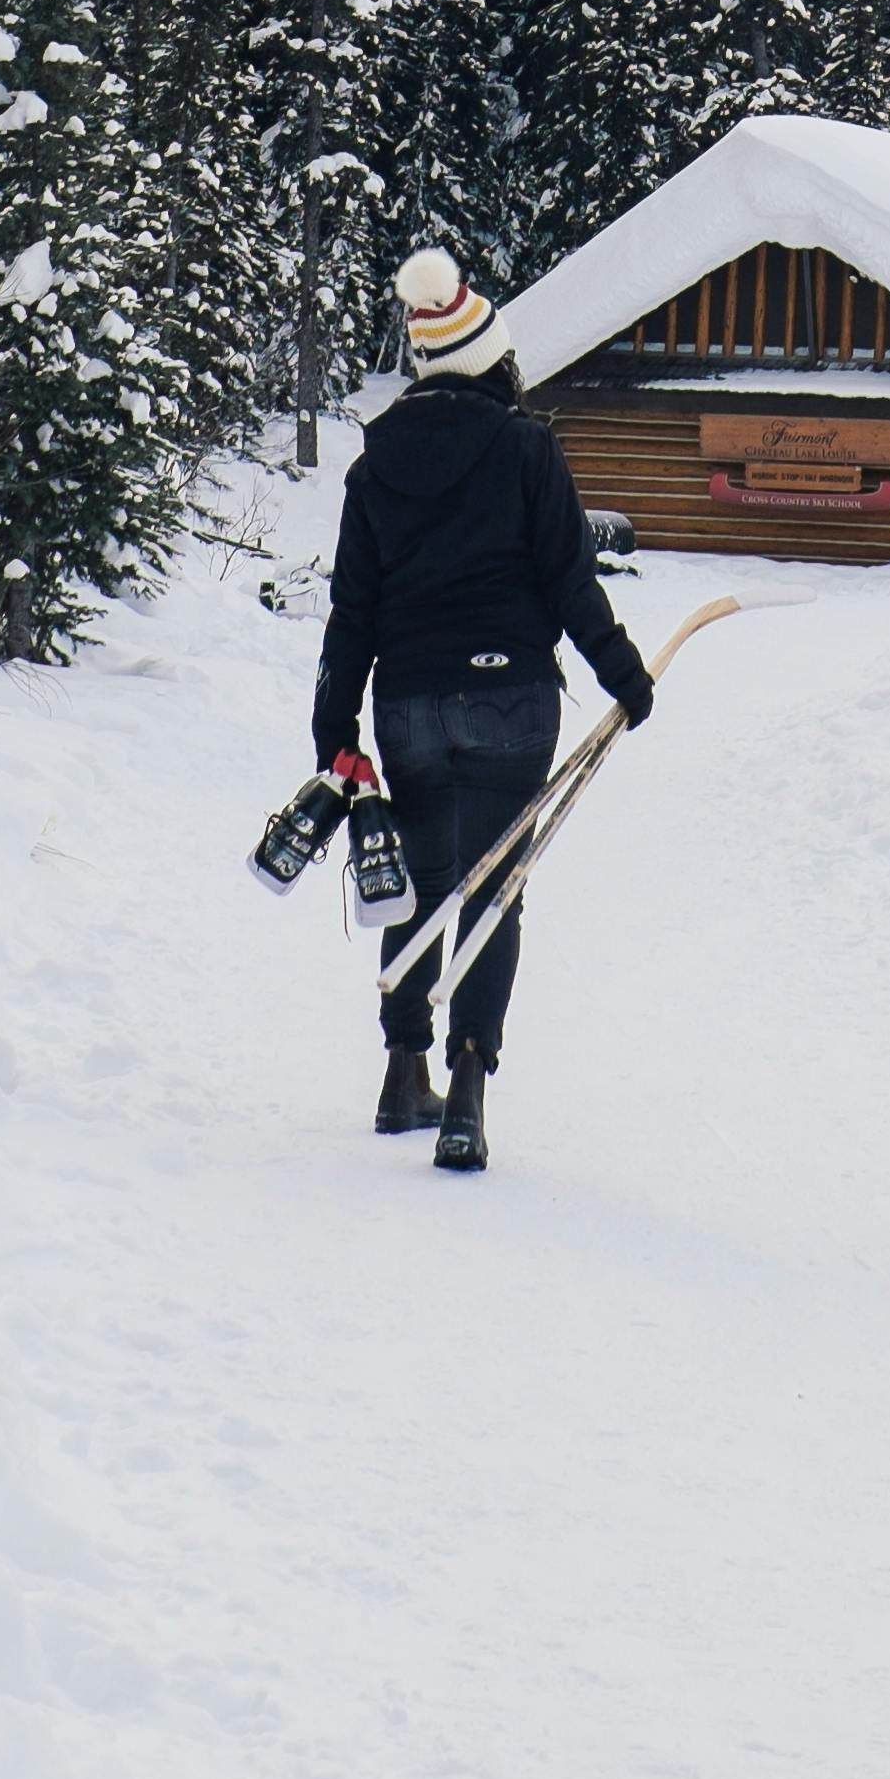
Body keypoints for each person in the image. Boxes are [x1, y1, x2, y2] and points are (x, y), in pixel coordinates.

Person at [312, 242, 656, 1173]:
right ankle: (465, 1096)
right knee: (493, 891)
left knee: (417, 885)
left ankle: (399, 1073)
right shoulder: (526, 447)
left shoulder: (372, 465)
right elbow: (569, 580)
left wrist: (334, 734)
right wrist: (625, 676)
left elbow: (353, 612)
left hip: (410, 703)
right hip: (512, 698)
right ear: (490, 357)